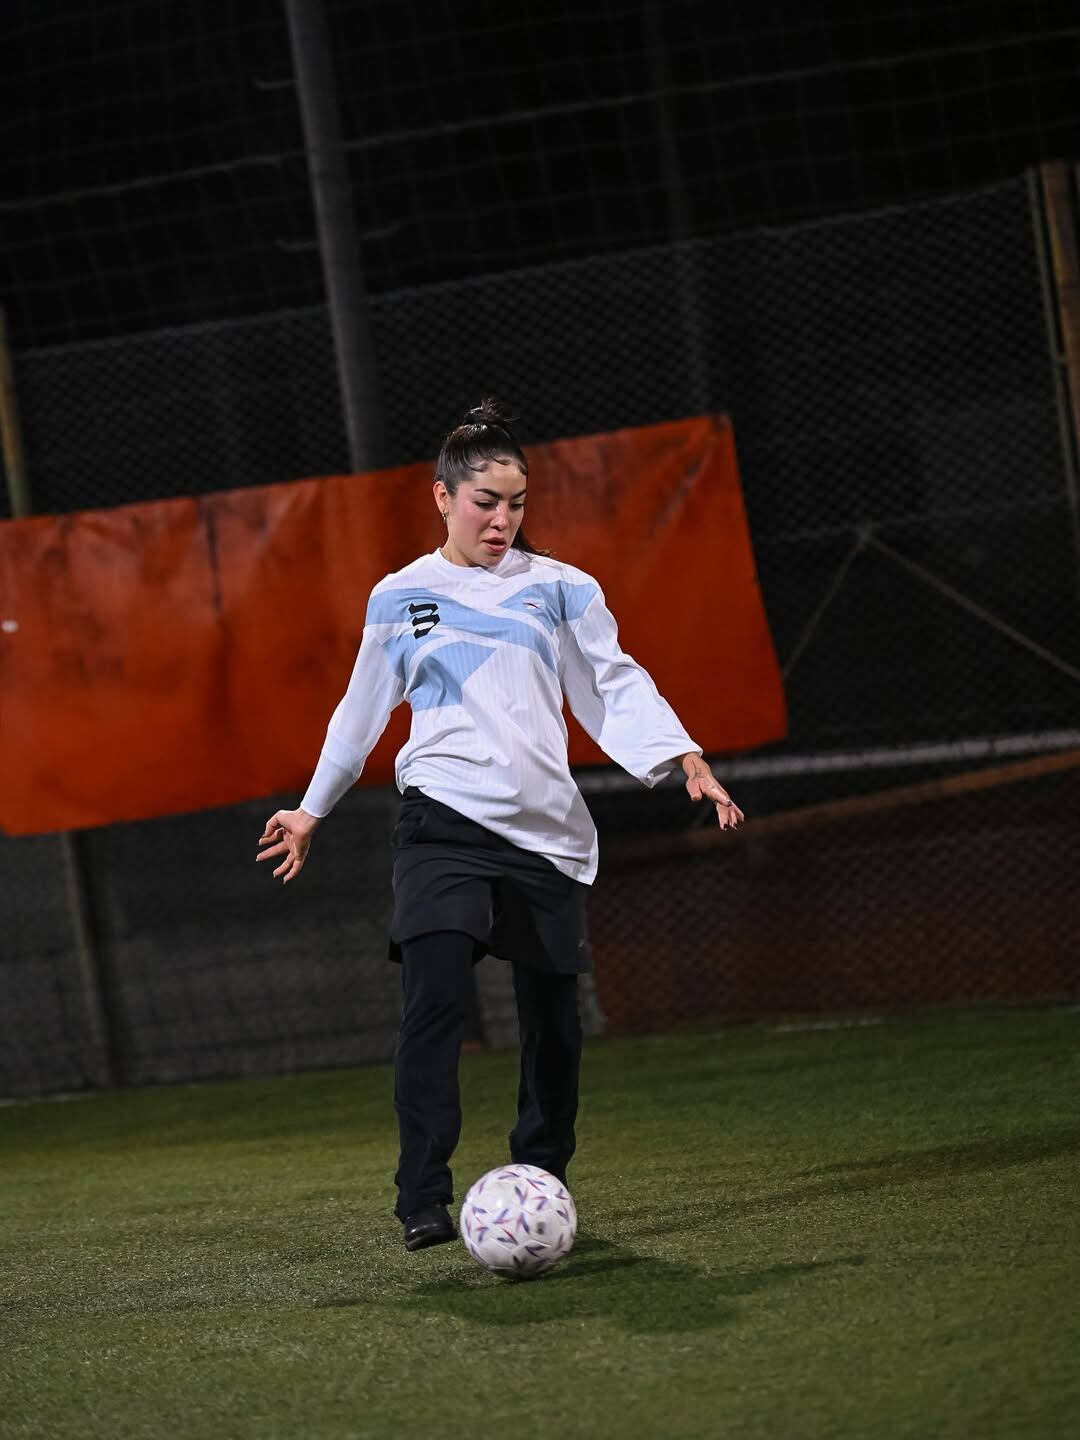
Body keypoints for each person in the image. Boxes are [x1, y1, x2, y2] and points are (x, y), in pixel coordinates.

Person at [256, 399, 743, 1251]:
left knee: (554, 1021)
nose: (503, 519)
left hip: (546, 835)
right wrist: (311, 808)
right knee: (435, 997)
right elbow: (361, 710)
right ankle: (422, 1196)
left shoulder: (561, 588)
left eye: (517, 503)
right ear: (441, 497)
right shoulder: (401, 595)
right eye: (486, 501)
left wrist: (684, 757)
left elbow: (614, 683)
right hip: (441, 822)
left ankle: (541, 1179)